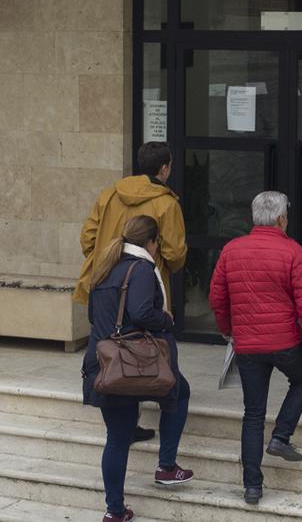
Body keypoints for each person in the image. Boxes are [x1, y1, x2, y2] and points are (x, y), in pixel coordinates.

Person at [208, 191, 302, 506]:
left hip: (247, 345)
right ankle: (281, 436)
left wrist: (227, 329)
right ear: (282, 219)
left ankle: (252, 487)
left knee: (253, 413)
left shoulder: (232, 250)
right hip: (285, 342)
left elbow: (217, 298)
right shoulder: (293, 252)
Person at [81, 216, 194, 522]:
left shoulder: (105, 267)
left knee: (117, 437)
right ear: (152, 242)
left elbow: (94, 315)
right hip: (134, 361)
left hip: (104, 363)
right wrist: (166, 319)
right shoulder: (142, 269)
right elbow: (141, 311)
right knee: (179, 392)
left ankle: (114, 511)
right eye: (158, 243)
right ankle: (167, 466)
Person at [75, 141, 188, 444]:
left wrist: (106, 259)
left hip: (107, 286)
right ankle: (164, 433)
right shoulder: (167, 203)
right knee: (147, 347)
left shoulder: (110, 194)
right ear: (164, 169)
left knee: (114, 346)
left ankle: (127, 420)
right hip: (144, 289)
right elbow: (176, 254)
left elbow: (87, 238)